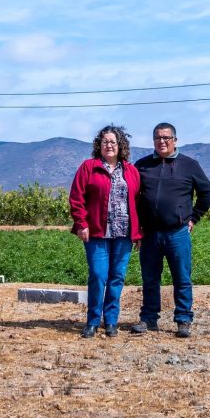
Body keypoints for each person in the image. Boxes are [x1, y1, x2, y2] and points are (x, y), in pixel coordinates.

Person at [131, 122, 210, 338]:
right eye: (158, 138)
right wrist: (137, 228)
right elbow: (133, 197)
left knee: (182, 278)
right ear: (153, 141)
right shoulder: (142, 166)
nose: (162, 141)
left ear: (175, 140)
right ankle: (149, 319)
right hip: (149, 234)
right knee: (150, 279)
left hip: (177, 232)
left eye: (166, 138)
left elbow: (207, 192)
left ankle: (183, 319)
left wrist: (193, 218)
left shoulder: (189, 165)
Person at [69, 125, 142, 338]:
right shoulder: (88, 167)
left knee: (117, 277)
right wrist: (81, 223)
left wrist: (139, 233)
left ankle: (111, 321)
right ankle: (92, 320)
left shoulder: (131, 171)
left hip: (124, 234)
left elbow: (138, 202)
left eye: (113, 142)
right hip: (97, 234)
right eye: (105, 142)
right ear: (98, 146)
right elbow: (76, 197)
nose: (108, 145)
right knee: (98, 275)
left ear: (120, 146)